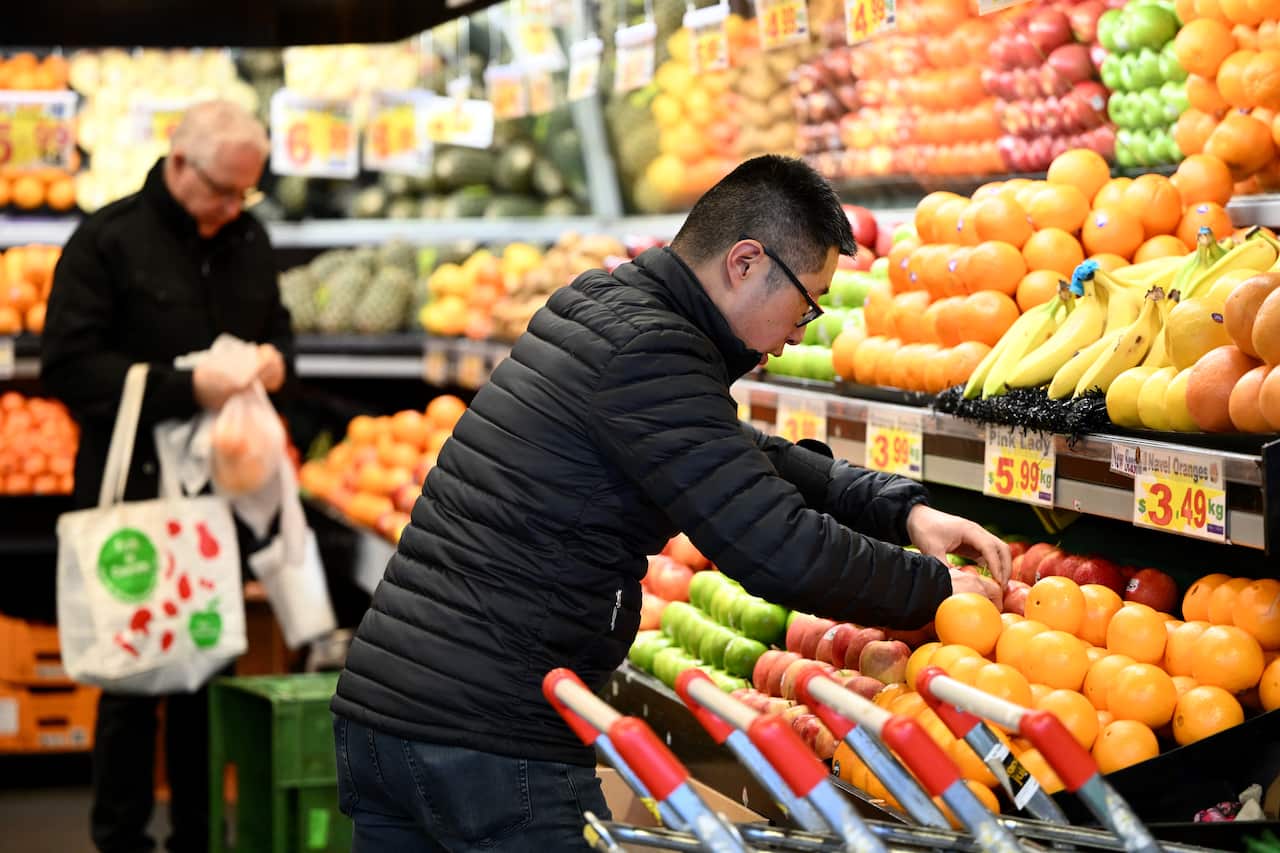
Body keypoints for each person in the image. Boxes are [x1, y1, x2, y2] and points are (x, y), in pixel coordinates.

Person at [331, 155, 1010, 852]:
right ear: (746, 263)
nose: (804, 329)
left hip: (390, 713)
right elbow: (780, 548)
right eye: (809, 301)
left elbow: (726, 450)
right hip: (492, 738)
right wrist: (937, 591)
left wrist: (897, 509)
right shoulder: (653, 346)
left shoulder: (600, 305)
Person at [41, 99, 294, 853]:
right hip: (133, 494)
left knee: (206, 675)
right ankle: (118, 837)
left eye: (244, 193)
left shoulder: (248, 238)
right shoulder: (106, 240)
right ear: (178, 163)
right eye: (221, 189)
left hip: (221, 495)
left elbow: (275, 328)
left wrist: (280, 360)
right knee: (130, 676)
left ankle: (197, 836)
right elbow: (69, 366)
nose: (231, 206)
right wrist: (187, 390)